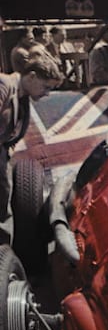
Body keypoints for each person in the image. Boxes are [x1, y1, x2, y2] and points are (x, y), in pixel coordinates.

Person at [0, 53, 64, 243]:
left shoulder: (24, 98)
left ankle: (4, 256)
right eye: (45, 87)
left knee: (3, 207)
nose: (47, 93)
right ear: (32, 76)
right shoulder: (4, 84)